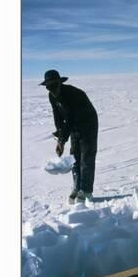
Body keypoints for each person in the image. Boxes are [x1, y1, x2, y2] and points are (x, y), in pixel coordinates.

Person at [40, 69, 99, 204]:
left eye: (54, 85)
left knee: (86, 157)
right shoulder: (52, 96)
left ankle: (86, 191)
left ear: (60, 83)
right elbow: (58, 116)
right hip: (73, 126)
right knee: (74, 157)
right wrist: (60, 135)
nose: (51, 89)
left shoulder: (72, 94)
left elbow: (71, 118)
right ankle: (77, 187)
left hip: (88, 123)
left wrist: (62, 140)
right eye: (48, 86)